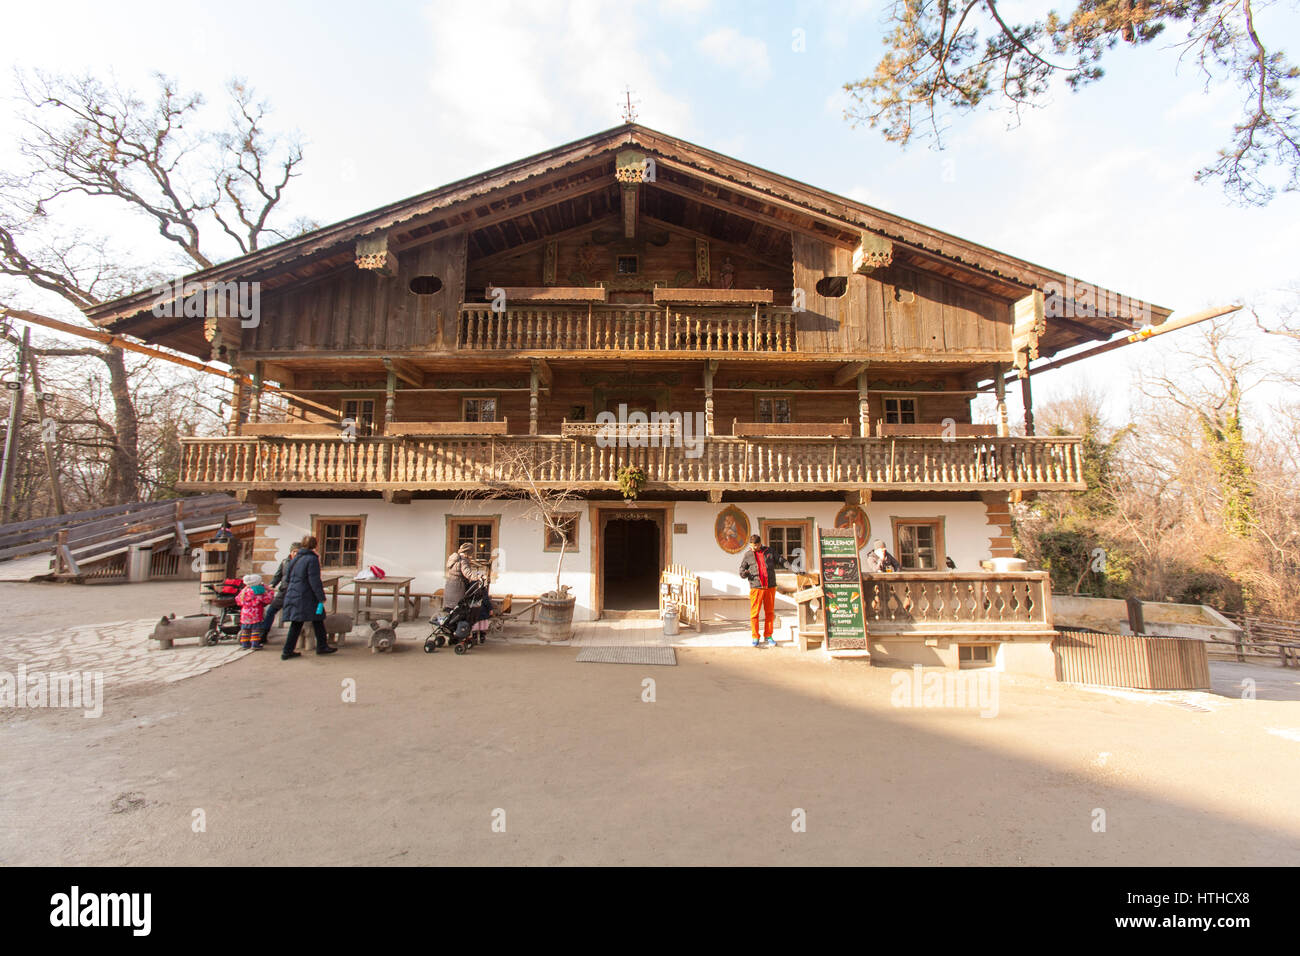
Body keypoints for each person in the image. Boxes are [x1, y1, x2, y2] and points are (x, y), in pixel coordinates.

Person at [280, 535, 337, 659]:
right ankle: (290, 650)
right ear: (315, 545)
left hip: (294, 592)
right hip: (306, 594)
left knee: (310, 621)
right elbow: (314, 580)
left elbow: (288, 577)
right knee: (310, 620)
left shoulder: (295, 558)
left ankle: (319, 646)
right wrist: (320, 596)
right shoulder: (312, 559)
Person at [738, 534, 778, 648]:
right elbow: (741, 570)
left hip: (770, 587)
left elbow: (781, 560)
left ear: (760, 543)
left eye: (756, 545)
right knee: (754, 614)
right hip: (756, 587)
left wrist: (793, 568)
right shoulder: (748, 555)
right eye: (752, 546)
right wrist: (744, 573)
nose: (754, 548)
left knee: (770, 613)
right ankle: (755, 636)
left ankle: (768, 635)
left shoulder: (769, 551)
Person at [257, 543, 300, 642]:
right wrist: (272, 584)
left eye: (298, 552)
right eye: (294, 552)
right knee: (271, 611)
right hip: (283, 591)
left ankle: (294, 638)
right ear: (291, 552)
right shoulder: (285, 562)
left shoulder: (302, 563)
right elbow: (278, 575)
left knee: (295, 615)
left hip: (296, 592)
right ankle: (264, 633)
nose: (295, 554)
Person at [235, 573, 274, 650]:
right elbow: (267, 600)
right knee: (255, 630)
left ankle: (245, 644)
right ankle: (255, 644)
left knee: (245, 630)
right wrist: (270, 592)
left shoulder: (244, 590)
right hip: (255, 613)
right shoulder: (258, 591)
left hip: (245, 614)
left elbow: (238, 600)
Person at [444, 542, 477, 611]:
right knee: (458, 609)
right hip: (458, 587)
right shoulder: (463, 560)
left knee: (450, 609)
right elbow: (468, 573)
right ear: (468, 552)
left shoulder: (455, 559)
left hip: (450, 585)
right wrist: (478, 577)